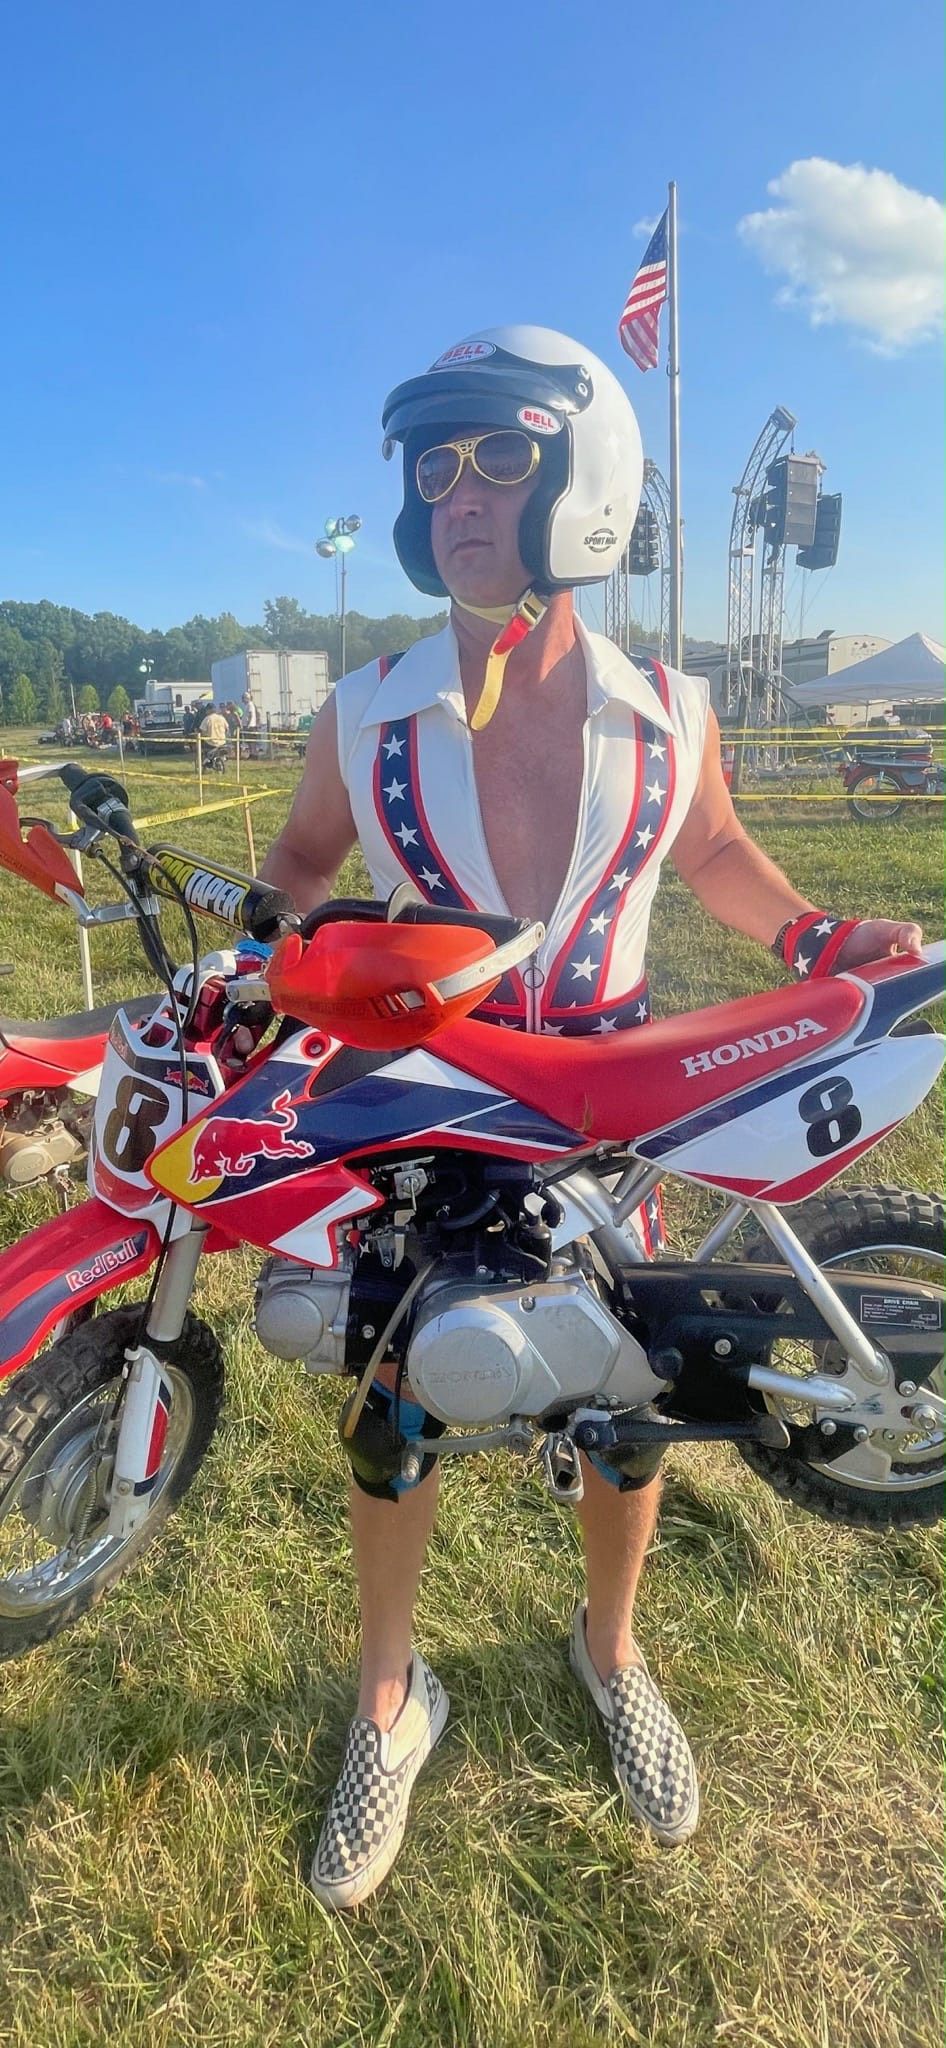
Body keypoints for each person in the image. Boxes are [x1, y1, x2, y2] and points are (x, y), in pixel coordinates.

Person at [260, 326, 922, 1911]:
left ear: (580, 479)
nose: (461, 492)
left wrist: (821, 935)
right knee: (392, 1406)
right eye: (436, 466)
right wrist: (283, 950)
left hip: (616, 1116)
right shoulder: (364, 709)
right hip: (431, 1099)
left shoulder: (668, 706)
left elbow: (718, 863)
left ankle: (610, 1648)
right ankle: (387, 1695)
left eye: (497, 455)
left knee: (628, 1410)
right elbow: (292, 866)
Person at [198, 703, 229, 771]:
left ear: (208, 710)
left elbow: (202, 730)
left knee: (202, 747)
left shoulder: (207, 719)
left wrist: (203, 735)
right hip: (222, 741)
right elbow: (227, 729)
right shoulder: (222, 718)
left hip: (211, 742)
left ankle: (206, 761)